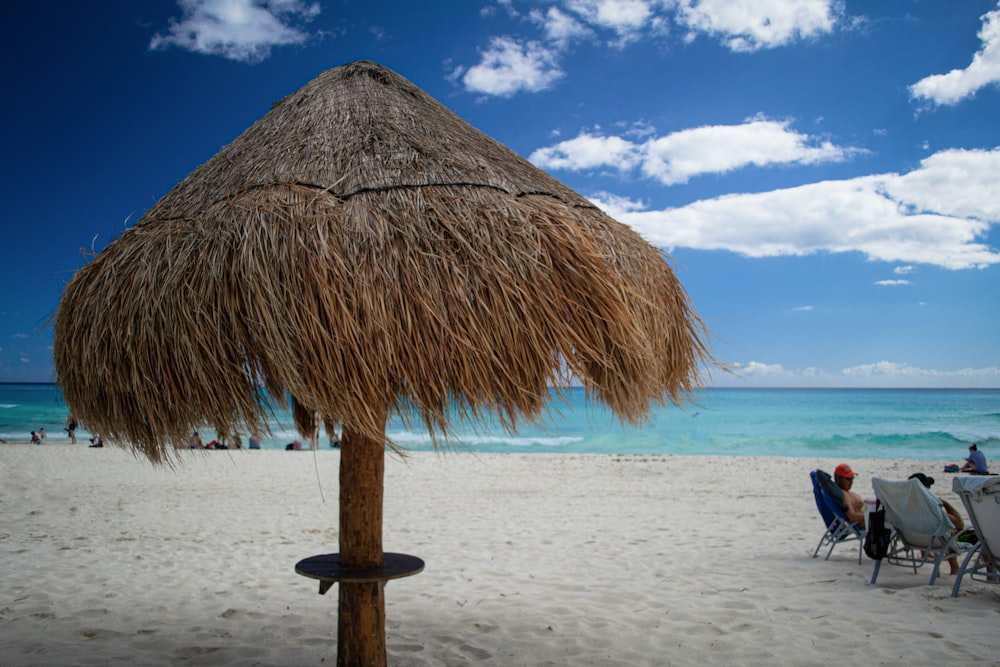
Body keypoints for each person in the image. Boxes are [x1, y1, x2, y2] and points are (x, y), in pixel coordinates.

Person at [908, 472, 965, 575]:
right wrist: (946, 504)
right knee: (977, 535)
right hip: (936, 543)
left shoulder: (904, 507)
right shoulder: (931, 508)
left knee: (925, 526)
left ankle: (925, 553)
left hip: (915, 541)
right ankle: (955, 567)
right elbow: (959, 524)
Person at [834, 463, 866, 529]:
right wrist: (871, 516)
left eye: (852, 478)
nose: (851, 482)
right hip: (867, 522)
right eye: (848, 479)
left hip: (867, 511)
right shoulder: (844, 495)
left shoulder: (844, 491)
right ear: (838, 479)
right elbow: (852, 517)